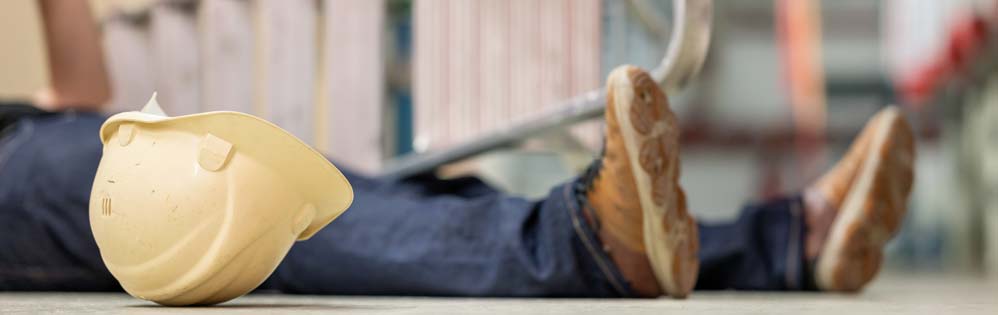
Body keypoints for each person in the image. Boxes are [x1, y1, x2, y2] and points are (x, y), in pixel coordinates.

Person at [0, 0, 914, 298]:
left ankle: (784, 241)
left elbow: (79, 100)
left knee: (385, 192)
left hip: (35, 129)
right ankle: (582, 245)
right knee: (245, 197)